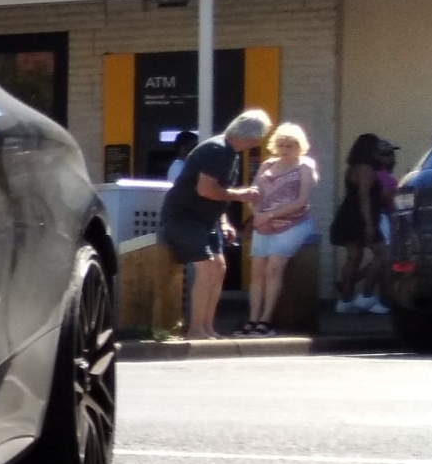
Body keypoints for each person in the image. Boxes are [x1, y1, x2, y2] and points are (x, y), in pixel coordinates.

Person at [158, 109, 268, 339]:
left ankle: (207, 327)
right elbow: (206, 190)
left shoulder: (231, 154)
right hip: (184, 217)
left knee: (219, 269)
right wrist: (242, 194)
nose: (257, 142)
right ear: (249, 135)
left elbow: (219, 192)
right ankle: (196, 329)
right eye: (258, 136)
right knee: (208, 268)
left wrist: (224, 220)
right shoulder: (216, 149)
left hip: (207, 219)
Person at [243, 122, 317, 335]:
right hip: (263, 224)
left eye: (290, 146)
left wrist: (270, 215)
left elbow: (302, 200)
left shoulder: (305, 166)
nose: (285, 150)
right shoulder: (267, 165)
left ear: (299, 146)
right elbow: (253, 192)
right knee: (257, 270)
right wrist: (256, 214)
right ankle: (252, 320)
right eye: (282, 145)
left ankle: (266, 321)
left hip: (292, 224)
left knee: (274, 267)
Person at [331, 133, 387, 315]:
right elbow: (364, 197)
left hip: (348, 214)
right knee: (382, 253)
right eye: (377, 147)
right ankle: (367, 295)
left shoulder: (352, 168)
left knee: (353, 256)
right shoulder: (366, 169)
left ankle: (345, 298)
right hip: (360, 216)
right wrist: (369, 224)